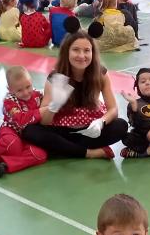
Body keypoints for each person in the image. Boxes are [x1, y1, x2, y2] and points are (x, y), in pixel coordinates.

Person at [20, 29, 129, 159]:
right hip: (62, 129)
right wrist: (54, 105)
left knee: (121, 126)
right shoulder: (56, 77)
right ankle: (88, 153)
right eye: (76, 50)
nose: (82, 56)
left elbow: (113, 109)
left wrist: (101, 122)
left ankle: (64, 149)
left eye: (87, 50)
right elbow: (44, 121)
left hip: (89, 129)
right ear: (67, 51)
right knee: (30, 131)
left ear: (93, 52)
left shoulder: (101, 74)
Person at [0, 65, 46, 175]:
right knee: (13, 146)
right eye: (19, 90)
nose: (26, 92)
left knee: (40, 154)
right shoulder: (9, 101)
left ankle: (5, 165)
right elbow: (20, 120)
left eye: (28, 87)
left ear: (31, 82)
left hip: (28, 136)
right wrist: (40, 112)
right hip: (11, 131)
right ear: (10, 89)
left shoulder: (37, 95)